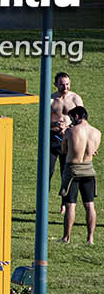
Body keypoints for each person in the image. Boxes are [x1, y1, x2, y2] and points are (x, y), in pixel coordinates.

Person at [61, 105, 100, 245]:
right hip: (89, 170)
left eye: (72, 118)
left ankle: (66, 237)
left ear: (76, 117)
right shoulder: (97, 133)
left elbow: (64, 149)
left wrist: (64, 134)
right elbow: (94, 151)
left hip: (73, 170)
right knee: (90, 205)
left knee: (71, 205)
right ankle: (90, 238)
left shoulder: (71, 131)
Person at [50, 72, 83, 180]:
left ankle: (67, 196)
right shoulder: (51, 100)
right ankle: (44, 195)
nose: (65, 87)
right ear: (55, 84)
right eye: (62, 85)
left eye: (67, 84)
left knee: (67, 172)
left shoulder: (75, 99)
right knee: (47, 172)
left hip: (69, 137)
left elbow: (82, 121)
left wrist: (68, 127)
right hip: (53, 138)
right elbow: (43, 121)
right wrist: (55, 124)